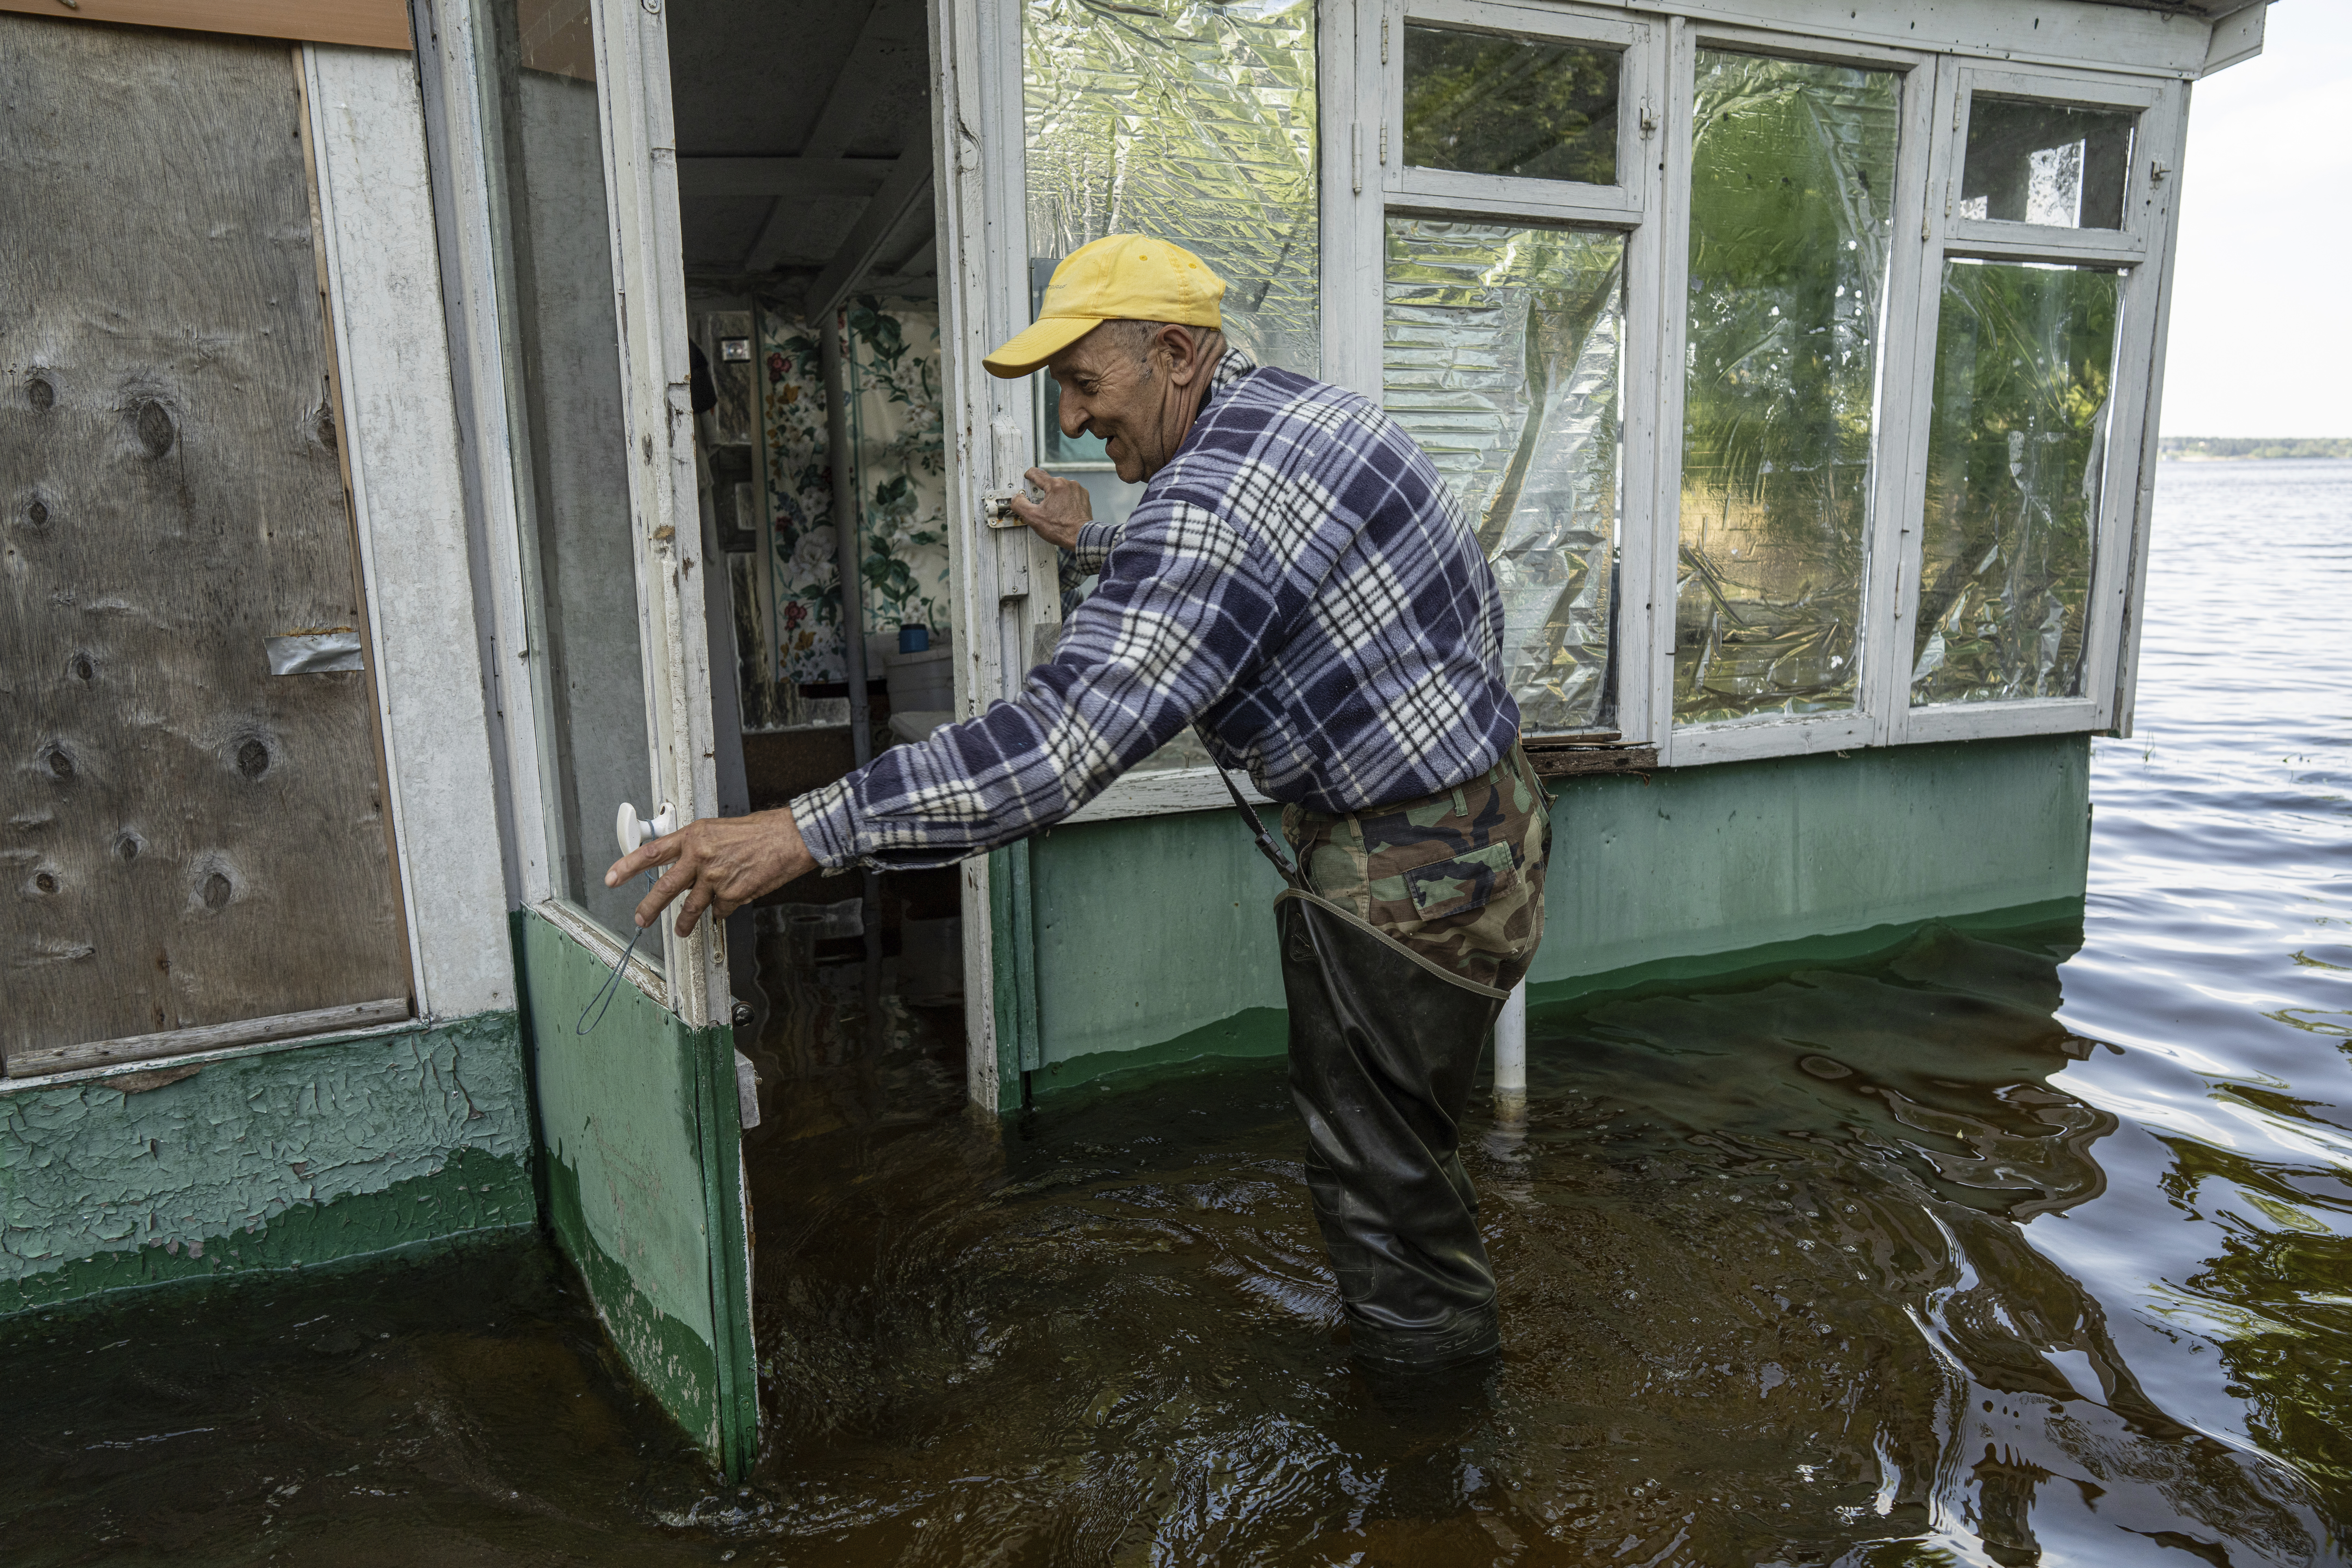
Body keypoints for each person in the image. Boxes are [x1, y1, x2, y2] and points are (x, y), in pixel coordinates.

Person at [606, 234, 1549, 1371]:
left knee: (1385, 1203)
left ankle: (1432, 1470)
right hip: (1495, 832)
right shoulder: (1312, 420)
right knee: (1417, 1148)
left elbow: (1055, 748)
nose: (1070, 422)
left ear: (1174, 355)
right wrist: (1090, 537)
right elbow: (1250, 566)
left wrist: (805, 827)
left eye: (1085, 385)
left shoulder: (1211, 507)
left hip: (1400, 887)